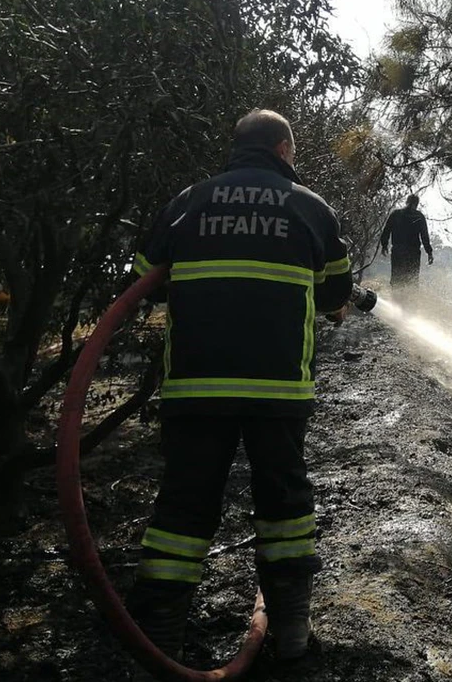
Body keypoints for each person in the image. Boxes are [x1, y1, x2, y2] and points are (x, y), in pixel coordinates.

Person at [127, 109, 353, 668]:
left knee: (183, 508)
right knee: (285, 505)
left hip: (196, 389)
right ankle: (293, 636)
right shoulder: (310, 207)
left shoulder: (188, 202)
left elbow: (143, 283)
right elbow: (334, 298)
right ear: (282, 150)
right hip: (278, 391)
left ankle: (159, 642)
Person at [379, 193, 433, 288]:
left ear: (406, 202)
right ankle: (409, 300)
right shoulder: (419, 216)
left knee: (396, 279)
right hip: (413, 253)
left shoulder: (396, 214)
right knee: (412, 280)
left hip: (398, 252)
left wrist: (384, 245)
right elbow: (424, 236)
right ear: (416, 204)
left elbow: (386, 230)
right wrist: (429, 252)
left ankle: (396, 298)